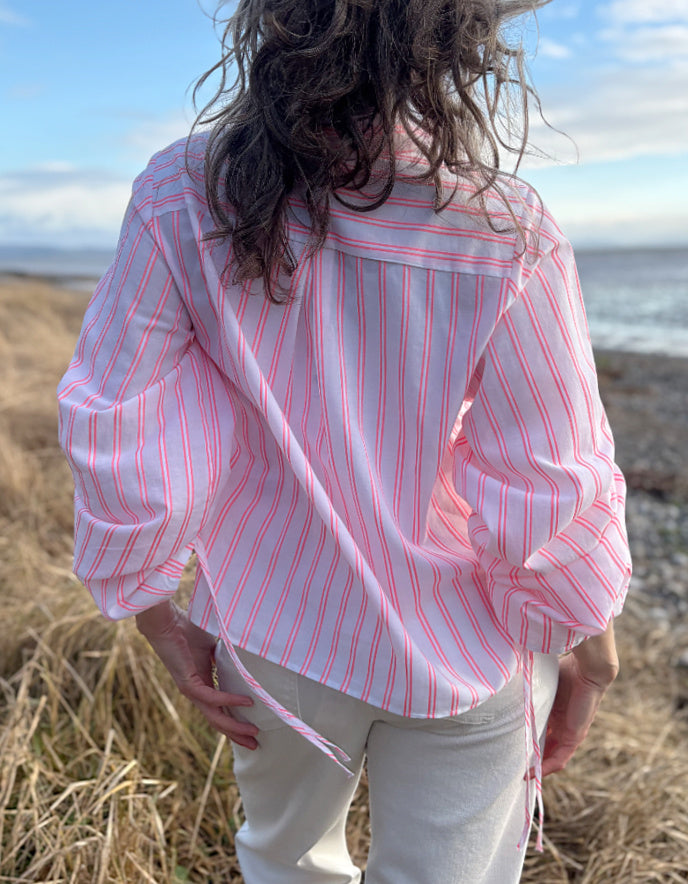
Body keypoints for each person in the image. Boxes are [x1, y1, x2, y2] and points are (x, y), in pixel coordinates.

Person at [57, 0, 630, 880]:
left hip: (272, 628)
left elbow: (115, 414)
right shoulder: (504, 225)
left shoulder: (182, 193)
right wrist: (590, 643)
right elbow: (545, 476)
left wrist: (149, 605)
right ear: (455, 43)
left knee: (286, 864)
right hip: (467, 644)